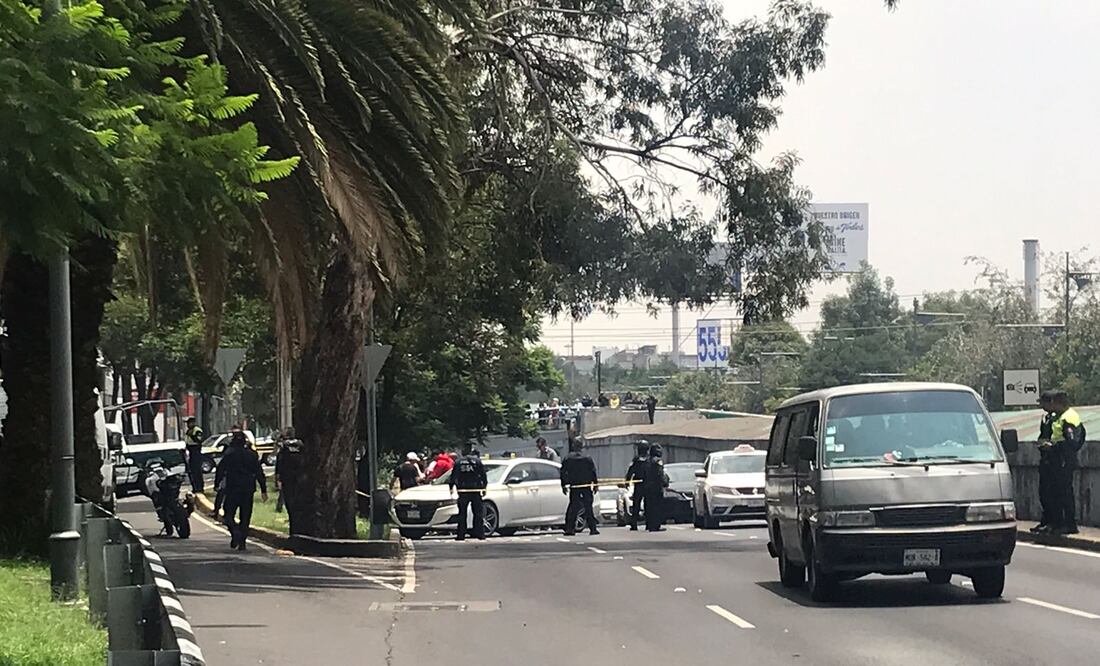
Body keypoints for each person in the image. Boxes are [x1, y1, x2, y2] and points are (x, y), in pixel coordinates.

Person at [214, 431, 268, 551]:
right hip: (248, 488)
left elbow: (220, 469)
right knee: (245, 516)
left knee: (228, 514)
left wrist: (217, 484)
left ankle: (235, 532)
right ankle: (242, 541)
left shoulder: (229, 454)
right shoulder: (252, 455)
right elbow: (259, 472)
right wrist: (263, 489)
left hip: (233, 488)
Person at [1049, 390, 1085, 535]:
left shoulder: (1069, 418)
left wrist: (1055, 447)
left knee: (1065, 492)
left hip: (1064, 459)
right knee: (1058, 491)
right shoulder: (1062, 416)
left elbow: (1073, 441)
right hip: (1060, 458)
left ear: (1059, 403)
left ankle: (1070, 524)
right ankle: (1060, 523)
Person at [1031, 392, 1058, 533]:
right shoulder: (1046, 418)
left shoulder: (1056, 418)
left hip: (1054, 460)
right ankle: (1045, 520)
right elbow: (1043, 435)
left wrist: (1050, 446)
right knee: (1043, 493)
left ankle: (1053, 522)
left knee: (1052, 493)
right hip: (1045, 459)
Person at [449, 443, 488, 540]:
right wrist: (484, 487)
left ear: (463, 451)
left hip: (463, 490)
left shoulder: (458, 462)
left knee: (462, 514)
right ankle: (480, 533)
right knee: (478, 513)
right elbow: (483, 475)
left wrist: (451, 487)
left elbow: (453, 476)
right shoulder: (477, 461)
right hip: (475, 489)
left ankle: (461, 534)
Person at [561, 439, 599, 536]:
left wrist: (564, 485)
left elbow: (563, 472)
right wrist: (595, 484)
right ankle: (593, 528)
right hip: (586, 485)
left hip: (574, 485)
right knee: (588, 507)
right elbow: (593, 472)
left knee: (573, 507)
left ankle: (570, 528)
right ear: (581, 447)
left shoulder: (568, 458)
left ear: (573, 446)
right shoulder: (587, 458)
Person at [274, 427, 304, 519]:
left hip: (287, 477)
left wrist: (278, 478)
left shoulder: (283, 447)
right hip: (300, 476)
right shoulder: (300, 445)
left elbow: (279, 463)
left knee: (288, 499)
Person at [642, 444, 668, 532]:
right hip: (656, 487)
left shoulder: (647, 460)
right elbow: (660, 473)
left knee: (649, 507)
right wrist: (664, 482)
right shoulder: (657, 461)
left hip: (647, 487)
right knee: (657, 507)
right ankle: (656, 525)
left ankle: (649, 525)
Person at [624, 442, 649, 531]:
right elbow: (631, 471)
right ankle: (635, 523)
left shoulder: (638, 460)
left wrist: (627, 481)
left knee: (641, 504)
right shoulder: (643, 460)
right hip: (643, 484)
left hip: (643, 484)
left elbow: (630, 471)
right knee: (639, 504)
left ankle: (637, 523)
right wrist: (627, 482)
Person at [184, 417, 205, 494]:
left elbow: (199, 440)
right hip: (190, 452)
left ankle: (199, 488)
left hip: (196, 451)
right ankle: (195, 487)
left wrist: (192, 436)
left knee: (197, 471)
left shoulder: (197, 430)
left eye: (189, 423)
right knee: (191, 471)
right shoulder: (188, 431)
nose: (187, 425)